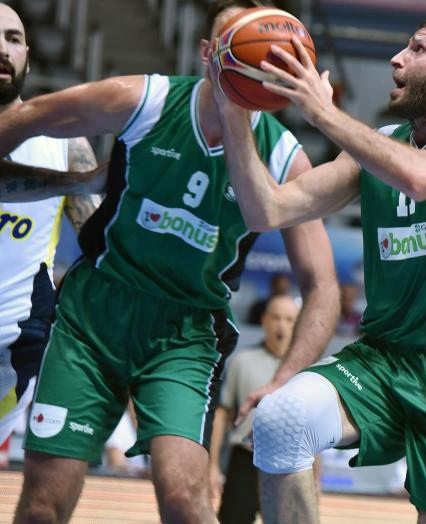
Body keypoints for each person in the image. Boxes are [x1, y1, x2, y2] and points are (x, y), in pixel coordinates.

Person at [0, 1, 339, 522]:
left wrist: (284, 376)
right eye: (235, 47)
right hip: (94, 317)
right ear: (208, 53)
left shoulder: (284, 156)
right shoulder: (145, 100)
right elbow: (25, 117)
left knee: (185, 498)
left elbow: (322, 286)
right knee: (42, 506)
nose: (248, 64)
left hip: (185, 334)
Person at [210, 15, 426, 523]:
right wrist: (234, 112)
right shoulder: (378, 145)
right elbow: (265, 210)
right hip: (382, 359)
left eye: (418, 49)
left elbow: (422, 178)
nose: (397, 58)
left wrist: (321, 110)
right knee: (280, 419)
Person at [0, 3, 100, 445]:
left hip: (12, 347)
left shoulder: (64, 145)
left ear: (28, 56)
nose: (3, 48)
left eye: (13, 39)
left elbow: (102, 243)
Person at [209, 293, 299, 524]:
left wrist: (317, 478)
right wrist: (212, 466)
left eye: (289, 319)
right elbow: (222, 414)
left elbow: (312, 427)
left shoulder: (305, 372)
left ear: (298, 325)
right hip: (245, 461)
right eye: (276, 317)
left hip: (289, 465)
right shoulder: (243, 361)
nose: (282, 325)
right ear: (264, 320)